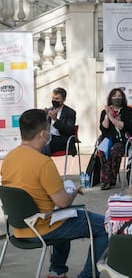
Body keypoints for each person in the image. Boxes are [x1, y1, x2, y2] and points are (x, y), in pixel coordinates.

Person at [1, 109, 108, 278]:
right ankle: (87, 276)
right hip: (43, 227)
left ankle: (57, 271)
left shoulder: (9, 159)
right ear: (43, 134)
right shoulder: (43, 163)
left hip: (19, 227)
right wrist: (73, 191)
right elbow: (63, 202)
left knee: (66, 216)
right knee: (105, 226)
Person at [98, 88, 132, 190]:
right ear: (110, 98)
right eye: (114, 96)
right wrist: (107, 115)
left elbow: (123, 126)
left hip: (122, 140)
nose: (117, 98)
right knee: (102, 150)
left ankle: (111, 180)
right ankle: (105, 180)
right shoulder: (104, 112)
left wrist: (112, 117)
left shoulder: (127, 110)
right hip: (108, 139)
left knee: (114, 150)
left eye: (119, 96)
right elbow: (103, 128)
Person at [42, 87, 77, 156]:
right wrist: (44, 117)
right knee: (36, 142)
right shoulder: (49, 110)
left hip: (62, 140)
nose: (54, 100)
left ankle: (45, 163)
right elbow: (43, 128)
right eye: (53, 98)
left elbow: (69, 131)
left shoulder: (70, 112)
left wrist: (55, 120)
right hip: (49, 138)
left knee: (44, 144)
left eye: (57, 99)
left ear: (63, 100)